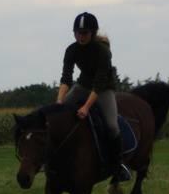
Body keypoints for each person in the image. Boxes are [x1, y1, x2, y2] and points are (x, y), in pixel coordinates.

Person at [56, 11, 131, 182]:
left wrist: (86, 107)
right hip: (82, 85)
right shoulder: (71, 50)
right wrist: (59, 101)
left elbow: (99, 83)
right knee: (58, 115)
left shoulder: (103, 51)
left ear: (93, 33)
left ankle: (118, 165)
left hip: (103, 89)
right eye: (77, 33)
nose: (80, 37)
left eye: (84, 33)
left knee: (112, 126)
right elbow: (66, 79)